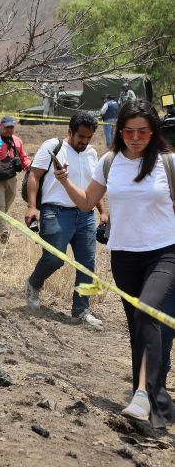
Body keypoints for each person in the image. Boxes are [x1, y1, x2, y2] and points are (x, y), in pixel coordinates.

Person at [53, 99, 175, 427]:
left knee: (149, 312)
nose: (136, 137)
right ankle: (154, 405)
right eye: (129, 131)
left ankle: (142, 395)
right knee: (142, 327)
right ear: (120, 131)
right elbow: (87, 203)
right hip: (124, 256)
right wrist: (64, 180)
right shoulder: (109, 162)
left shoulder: (169, 162)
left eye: (143, 132)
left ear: (154, 131)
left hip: (166, 254)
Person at [24, 112, 107, 329]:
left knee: (88, 264)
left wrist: (103, 212)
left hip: (86, 215)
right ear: (69, 131)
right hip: (56, 212)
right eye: (81, 136)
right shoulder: (53, 147)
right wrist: (33, 207)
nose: (85, 141)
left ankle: (81, 310)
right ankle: (33, 283)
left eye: (89, 137)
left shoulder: (91, 153)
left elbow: (94, 186)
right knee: (54, 259)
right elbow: (34, 176)